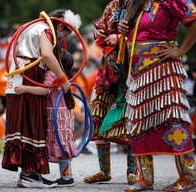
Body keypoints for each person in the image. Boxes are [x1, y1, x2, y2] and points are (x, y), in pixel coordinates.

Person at [118, 0, 196, 191]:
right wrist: (122, 28)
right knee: (139, 121)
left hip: (164, 70)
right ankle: (144, 178)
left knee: (174, 118)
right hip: (137, 73)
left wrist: (180, 50)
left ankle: (189, 176)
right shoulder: (135, 4)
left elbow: (195, 19)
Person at [2, 9, 81, 188]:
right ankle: (30, 174)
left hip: (18, 75)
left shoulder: (32, 28)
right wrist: (63, 78)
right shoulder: (45, 30)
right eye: (66, 33)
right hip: (29, 73)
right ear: (61, 25)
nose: (63, 38)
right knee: (31, 122)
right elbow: (46, 54)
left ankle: (30, 173)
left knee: (23, 122)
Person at [83, 0, 138, 185]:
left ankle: (133, 170)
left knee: (129, 120)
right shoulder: (112, 5)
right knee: (97, 115)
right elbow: (100, 27)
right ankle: (104, 171)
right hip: (107, 70)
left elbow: (145, 34)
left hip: (130, 71)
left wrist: (121, 39)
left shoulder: (140, 5)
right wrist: (98, 33)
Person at [14, 49, 77, 187]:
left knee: (58, 143)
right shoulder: (63, 76)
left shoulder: (51, 73)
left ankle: (41, 173)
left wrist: (26, 88)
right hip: (63, 115)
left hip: (55, 116)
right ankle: (67, 178)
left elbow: (45, 90)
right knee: (63, 145)